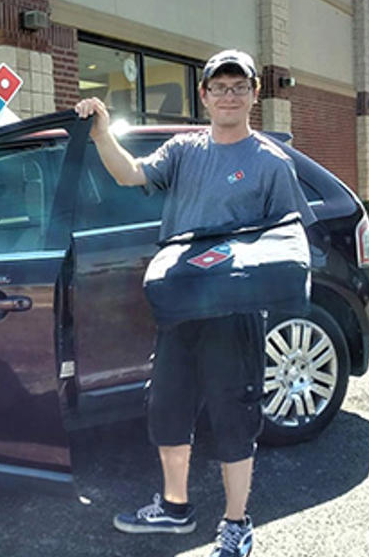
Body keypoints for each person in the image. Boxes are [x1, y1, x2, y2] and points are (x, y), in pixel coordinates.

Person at [74, 49, 315, 557]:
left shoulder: (270, 162)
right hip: (182, 303)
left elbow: (288, 239)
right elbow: (129, 174)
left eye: (239, 87)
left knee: (234, 413)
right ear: (203, 95)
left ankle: (236, 522)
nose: (229, 95)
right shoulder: (184, 151)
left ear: (253, 94)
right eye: (219, 87)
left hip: (236, 312)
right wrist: (99, 131)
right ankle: (174, 506)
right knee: (167, 405)